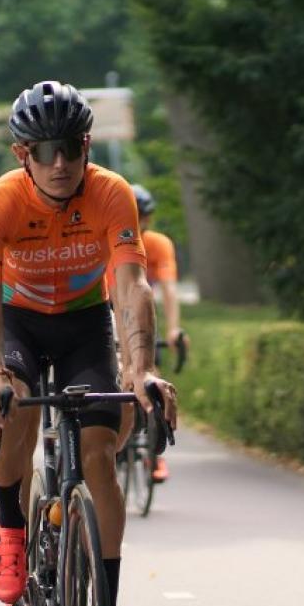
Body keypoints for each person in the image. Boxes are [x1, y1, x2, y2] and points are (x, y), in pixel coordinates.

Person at [0, 82, 178, 606]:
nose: (59, 163)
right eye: (43, 150)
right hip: (20, 322)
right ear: (22, 155)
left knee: (100, 458)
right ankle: (12, 523)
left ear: (86, 145)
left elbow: (132, 286)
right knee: (15, 412)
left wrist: (141, 372)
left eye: (70, 147)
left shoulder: (111, 194)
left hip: (85, 324)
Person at [130, 183, 187, 483]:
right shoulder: (108, 240)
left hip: (144, 313)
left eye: (141, 216)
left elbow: (169, 290)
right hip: (114, 310)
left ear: (147, 219)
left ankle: (156, 451)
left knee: (153, 371)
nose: (136, 222)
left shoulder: (158, 245)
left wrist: (173, 329)